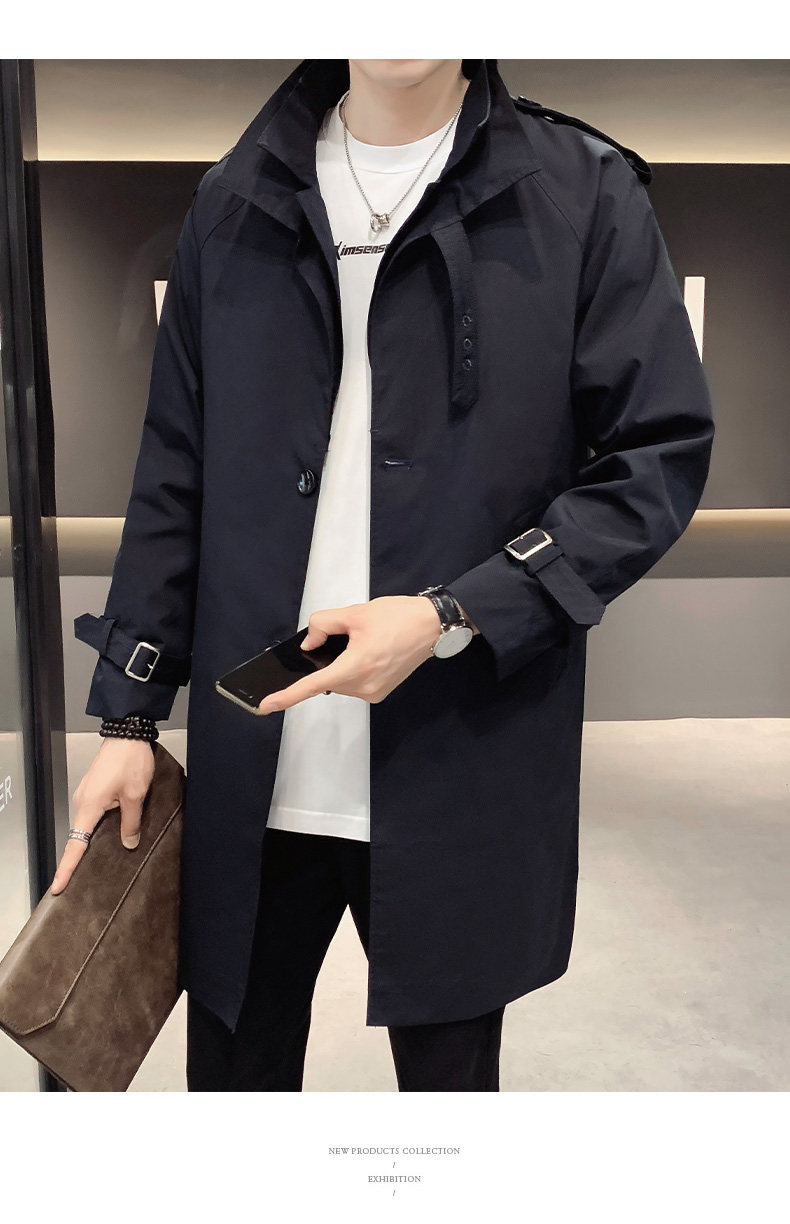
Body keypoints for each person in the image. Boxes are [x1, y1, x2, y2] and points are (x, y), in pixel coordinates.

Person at [57, 59, 715, 1091]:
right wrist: (128, 720)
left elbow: (655, 458)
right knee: (232, 1096)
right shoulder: (236, 197)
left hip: (461, 746)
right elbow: (177, 470)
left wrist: (455, 612)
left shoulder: (580, 190)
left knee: (445, 1112)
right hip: (255, 750)